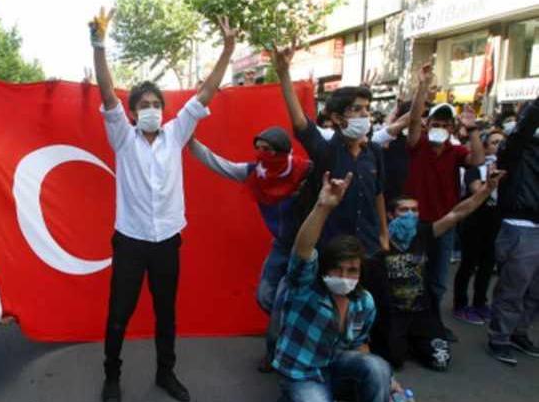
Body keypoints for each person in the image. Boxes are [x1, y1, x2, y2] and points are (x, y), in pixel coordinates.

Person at [90, 7, 237, 402]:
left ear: (164, 109)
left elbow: (205, 93)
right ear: (134, 111)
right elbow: (106, 93)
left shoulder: (175, 135)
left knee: (165, 313)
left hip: (167, 241)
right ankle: (112, 376)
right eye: (144, 104)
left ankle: (165, 372)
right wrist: (99, 44)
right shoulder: (122, 136)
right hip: (130, 242)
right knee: (119, 314)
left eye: (157, 102)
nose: (152, 108)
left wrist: (227, 50)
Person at [273, 171, 393, 402]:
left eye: (352, 271)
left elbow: (361, 345)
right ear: (325, 269)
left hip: (333, 366)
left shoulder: (363, 302)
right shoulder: (305, 288)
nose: (344, 277)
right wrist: (323, 206)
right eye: (337, 269)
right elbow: (302, 250)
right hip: (302, 375)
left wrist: (391, 382)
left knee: (379, 368)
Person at [187, 127, 311, 369]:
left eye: (268, 150)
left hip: (307, 250)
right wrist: (191, 142)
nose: (262, 154)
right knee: (265, 296)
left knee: (281, 303)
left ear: (283, 152)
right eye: (259, 148)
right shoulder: (255, 173)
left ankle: (276, 356)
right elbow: (218, 164)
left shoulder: (306, 172)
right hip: (281, 246)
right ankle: (293, 331)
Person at [364, 169, 503, 372]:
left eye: (415, 210)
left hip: (422, 313)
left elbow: (457, 213)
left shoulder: (423, 233)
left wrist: (486, 189)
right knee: (393, 360)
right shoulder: (379, 241)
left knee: (440, 360)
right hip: (393, 314)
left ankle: (414, 341)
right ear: (390, 214)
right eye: (404, 210)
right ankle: (402, 343)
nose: (411, 215)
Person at [274, 44, 388, 256]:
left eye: (367, 109)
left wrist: (383, 234)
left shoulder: (374, 152)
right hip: (331, 253)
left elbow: (378, 195)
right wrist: (283, 73)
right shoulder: (325, 151)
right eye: (356, 109)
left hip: (369, 248)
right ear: (337, 118)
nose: (365, 115)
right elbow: (300, 123)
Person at [402, 66, 485, 342]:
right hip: (415, 223)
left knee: (437, 280)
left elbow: (478, 160)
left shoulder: (456, 151)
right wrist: (422, 88)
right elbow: (413, 122)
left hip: (445, 223)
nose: (439, 128)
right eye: (435, 123)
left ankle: (434, 323)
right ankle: (410, 326)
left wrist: (473, 129)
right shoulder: (418, 144)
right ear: (429, 125)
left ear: (451, 128)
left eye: (445, 124)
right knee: (411, 276)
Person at [487, 95, 539, 366]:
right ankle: (500, 337)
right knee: (513, 288)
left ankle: (520, 332)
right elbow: (524, 128)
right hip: (520, 227)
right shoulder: (516, 150)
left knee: (534, 291)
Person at [452, 130, 505, 324]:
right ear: (485, 147)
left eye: (501, 142)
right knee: (468, 264)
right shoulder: (476, 168)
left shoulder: (509, 168)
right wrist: (491, 182)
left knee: (487, 265)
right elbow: (475, 189)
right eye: (494, 142)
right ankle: (460, 304)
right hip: (474, 222)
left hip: (495, 223)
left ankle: (480, 303)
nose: (498, 146)